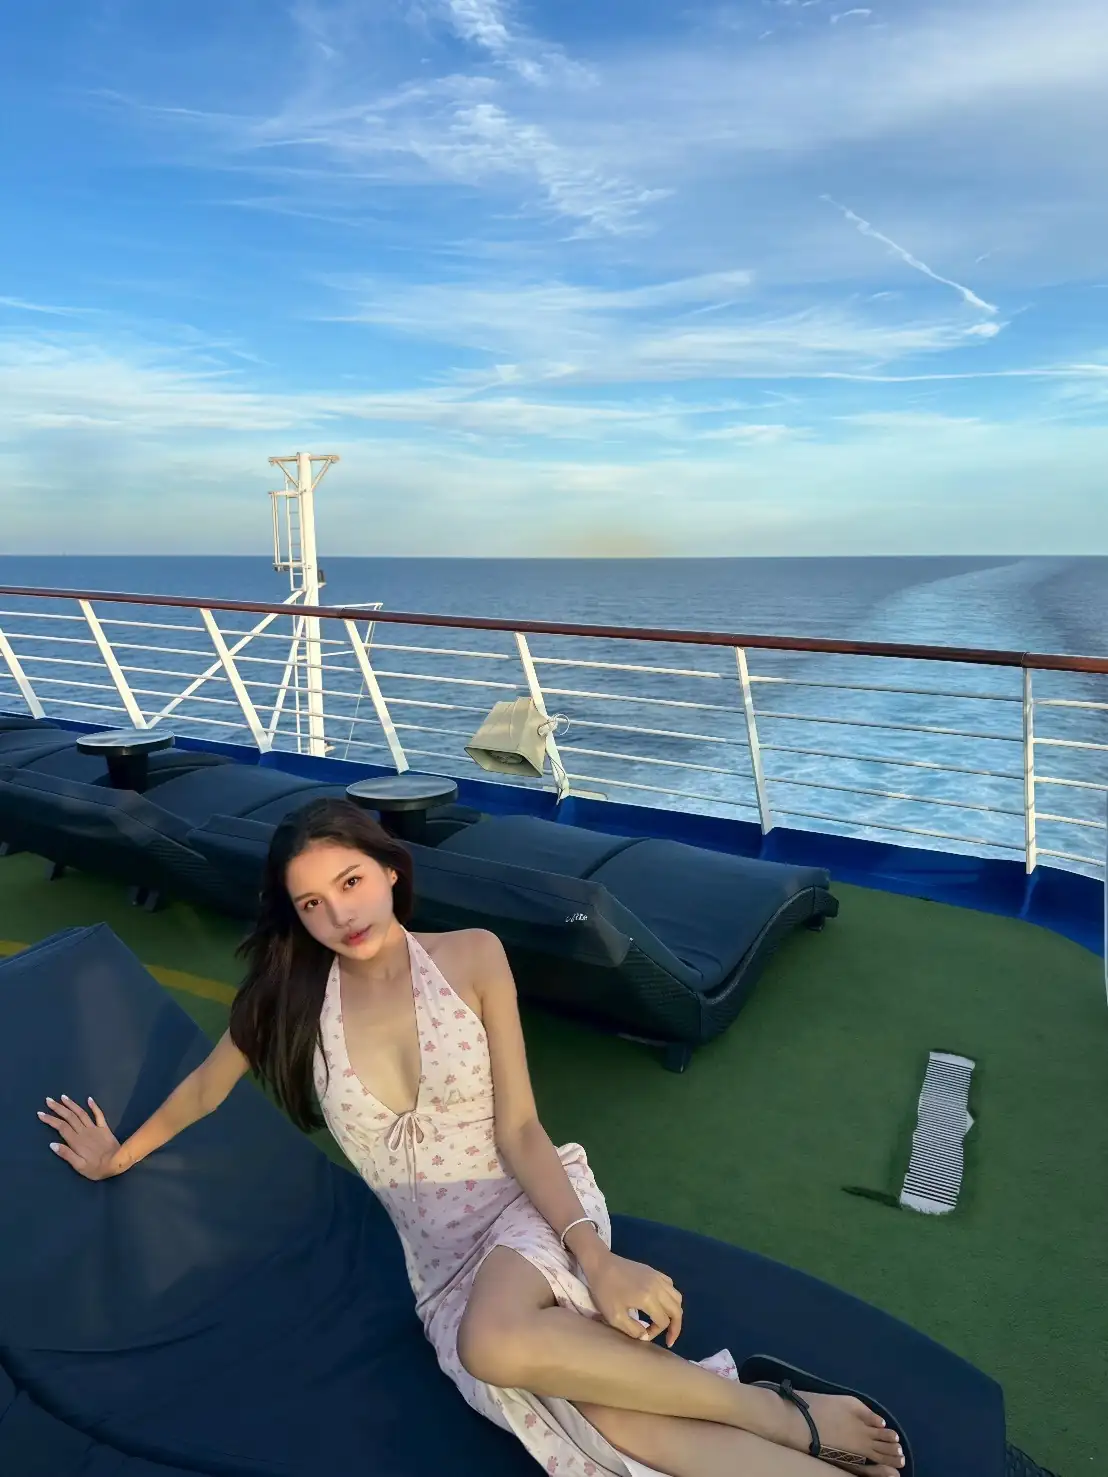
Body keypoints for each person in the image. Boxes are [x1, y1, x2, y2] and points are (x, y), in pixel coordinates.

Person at [39, 798, 905, 1477]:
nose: (339, 913)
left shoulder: (473, 957)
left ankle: (776, 1415)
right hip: (442, 1271)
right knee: (604, 1414)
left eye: (351, 881)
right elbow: (203, 1087)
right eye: (311, 902)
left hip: (535, 1211)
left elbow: (521, 1128)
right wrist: (119, 1154)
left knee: (491, 1344)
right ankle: (802, 1440)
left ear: (388, 869)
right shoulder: (289, 1005)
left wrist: (598, 1260)